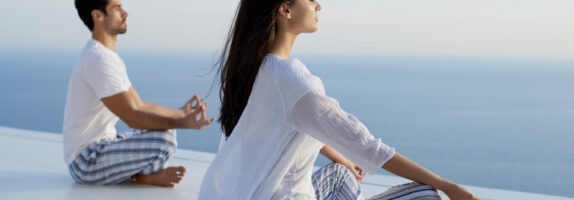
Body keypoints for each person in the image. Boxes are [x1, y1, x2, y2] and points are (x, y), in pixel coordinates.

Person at [199, 0, 480, 199]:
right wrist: (447, 185)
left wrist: (342, 159)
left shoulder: (252, 70)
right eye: (310, 0)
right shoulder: (293, 82)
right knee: (426, 195)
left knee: (341, 174)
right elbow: (369, 147)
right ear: (285, 10)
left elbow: (294, 123)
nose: (318, 5)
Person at [64, 0, 214, 187]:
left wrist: (180, 113)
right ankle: (141, 177)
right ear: (98, 16)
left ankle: (139, 175)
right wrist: (183, 123)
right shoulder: (98, 60)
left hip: (104, 145)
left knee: (164, 128)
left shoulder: (108, 57)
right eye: (117, 8)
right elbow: (132, 117)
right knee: (164, 139)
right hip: (86, 162)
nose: (125, 13)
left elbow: (139, 105)